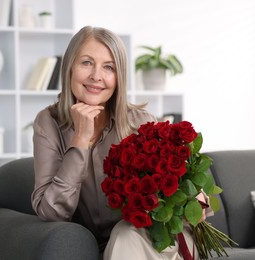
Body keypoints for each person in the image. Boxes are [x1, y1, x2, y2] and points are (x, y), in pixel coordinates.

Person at [31, 25, 212, 260]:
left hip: (154, 240)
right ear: (70, 68)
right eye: (86, 63)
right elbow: (51, 211)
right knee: (123, 236)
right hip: (97, 245)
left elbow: (185, 184)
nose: (96, 76)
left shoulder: (140, 122)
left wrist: (197, 198)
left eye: (109, 67)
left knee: (126, 234)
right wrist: (80, 140)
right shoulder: (49, 123)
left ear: (118, 78)